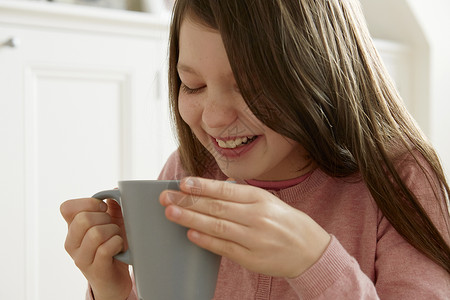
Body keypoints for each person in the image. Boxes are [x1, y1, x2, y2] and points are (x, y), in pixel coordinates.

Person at [60, 0, 450, 299]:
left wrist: (314, 262)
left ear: (318, 71)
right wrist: (115, 291)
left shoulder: (401, 178)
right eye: (192, 85)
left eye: (248, 85)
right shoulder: (187, 171)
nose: (212, 118)